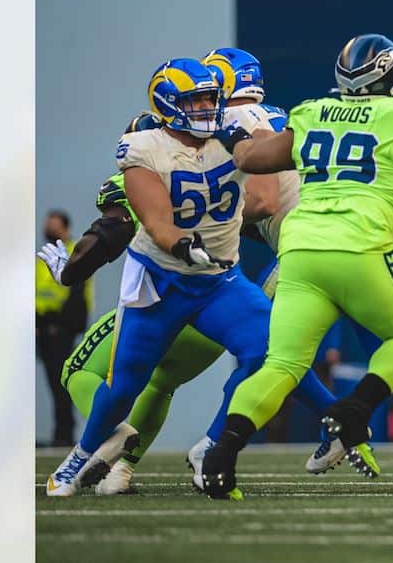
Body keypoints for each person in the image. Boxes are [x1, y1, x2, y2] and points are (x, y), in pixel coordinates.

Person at [199, 34, 393, 499]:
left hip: (301, 253)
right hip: (361, 247)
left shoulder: (312, 112)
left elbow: (250, 156)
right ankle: (356, 409)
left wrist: (236, 134)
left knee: (281, 364)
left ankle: (222, 452)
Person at [45, 59, 277, 497]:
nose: (210, 106)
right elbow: (153, 219)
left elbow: (264, 165)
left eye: (212, 97)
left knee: (272, 351)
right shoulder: (142, 147)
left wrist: (304, 139)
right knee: (123, 389)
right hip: (161, 281)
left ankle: (213, 445)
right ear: (169, 106)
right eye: (198, 100)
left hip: (217, 281)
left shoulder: (230, 132)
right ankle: (81, 454)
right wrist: (180, 243)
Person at [36, 210, 90, 446]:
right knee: (52, 379)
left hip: (61, 326)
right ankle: (61, 433)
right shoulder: (43, 256)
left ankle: (65, 434)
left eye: (53, 225)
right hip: (43, 326)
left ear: (65, 228)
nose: (47, 228)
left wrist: (62, 324)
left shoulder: (76, 251)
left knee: (61, 380)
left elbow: (77, 292)